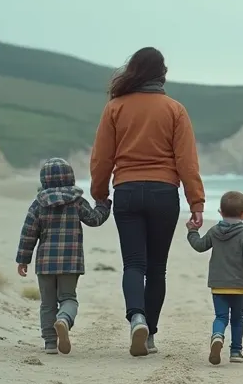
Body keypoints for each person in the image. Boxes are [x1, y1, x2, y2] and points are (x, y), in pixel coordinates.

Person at [90, 46, 206, 357]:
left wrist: (99, 193)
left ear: (133, 72)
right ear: (162, 74)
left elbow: (102, 157)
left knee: (133, 264)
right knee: (157, 268)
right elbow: (187, 161)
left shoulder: (115, 107)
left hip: (127, 191)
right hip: (164, 193)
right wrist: (197, 203)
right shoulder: (174, 109)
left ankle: (136, 318)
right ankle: (150, 334)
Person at [15, 157, 112, 355]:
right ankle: (64, 320)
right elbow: (94, 219)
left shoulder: (38, 204)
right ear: (70, 177)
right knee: (68, 298)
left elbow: (28, 233)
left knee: (47, 303)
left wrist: (23, 259)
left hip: (45, 263)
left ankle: (50, 343)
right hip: (71, 262)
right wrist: (104, 205)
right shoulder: (76, 202)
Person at [186, 190, 243, 365]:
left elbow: (199, 246)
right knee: (237, 318)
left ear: (220, 212)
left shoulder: (214, 231)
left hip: (218, 284)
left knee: (221, 317)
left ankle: (217, 335)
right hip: (238, 285)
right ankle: (236, 352)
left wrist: (192, 231)